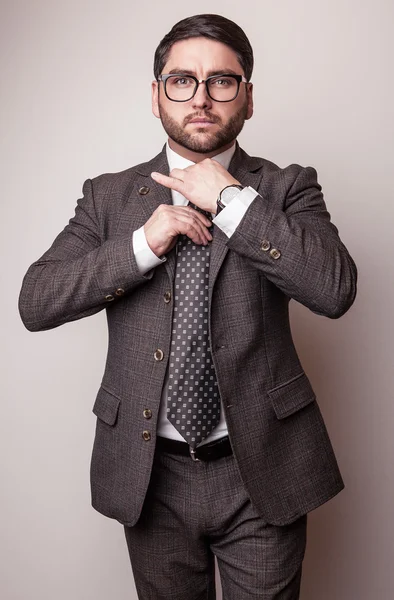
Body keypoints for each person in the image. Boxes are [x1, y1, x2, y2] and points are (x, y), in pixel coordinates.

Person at [19, 13, 357, 600]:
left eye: (222, 81)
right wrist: (140, 246)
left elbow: (334, 289)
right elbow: (36, 300)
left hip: (263, 470)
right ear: (156, 96)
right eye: (182, 80)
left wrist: (228, 198)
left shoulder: (286, 188)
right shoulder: (109, 197)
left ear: (247, 99)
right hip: (150, 471)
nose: (201, 97)